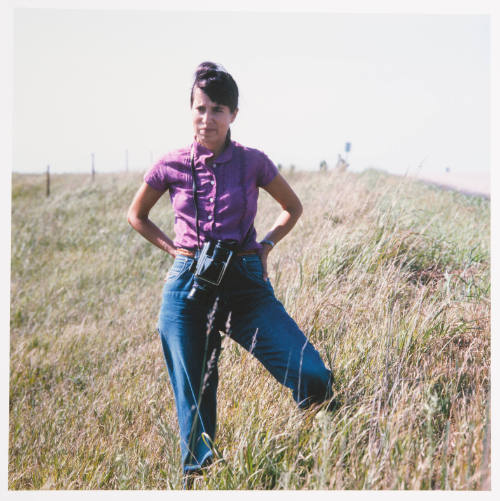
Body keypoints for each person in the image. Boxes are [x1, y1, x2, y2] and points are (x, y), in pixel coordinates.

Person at [127, 62, 334, 481]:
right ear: (190, 110)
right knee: (195, 401)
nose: (208, 119)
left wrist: (266, 247)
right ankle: (200, 480)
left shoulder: (253, 162)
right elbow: (137, 215)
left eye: (218, 109)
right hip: (187, 288)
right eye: (200, 108)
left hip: (245, 286)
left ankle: (325, 448)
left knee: (313, 374)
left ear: (233, 115)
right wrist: (174, 250)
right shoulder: (170, 164)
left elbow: (292, 208)